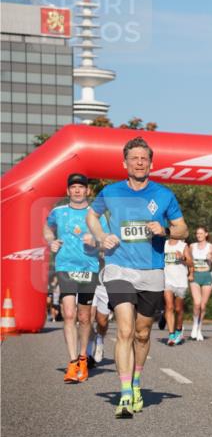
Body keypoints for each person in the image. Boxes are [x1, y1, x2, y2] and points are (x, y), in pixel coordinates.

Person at [87, 136, 187, 419]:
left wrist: (165, 230)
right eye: (134, 158)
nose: (140, 162)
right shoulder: (110, 192)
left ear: (151, 163)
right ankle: (125, 393)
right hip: (119, 268)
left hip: (152, 271)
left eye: (144, 158)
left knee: (142, 334)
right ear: (125, 163)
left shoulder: (164, 195)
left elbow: (183, 229)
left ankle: (137, 381)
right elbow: (92, 217)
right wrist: (102, 236)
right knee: (125, 330)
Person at [43, 173, 107, 383]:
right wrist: (51, 241)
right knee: (68, 314)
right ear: (68, 190)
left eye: (81, 187)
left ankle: (82, 358)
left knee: (84, 317)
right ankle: (72, 364)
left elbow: (106, 241)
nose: (77, 190)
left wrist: (96, 242)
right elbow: (46, 227)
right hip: (65, 267)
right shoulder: (58, 212)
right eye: (73, 187)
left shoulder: (97, 215)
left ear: (88, 190)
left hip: (88, 268)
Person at [188, 226, 212, 341]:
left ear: (206, 234)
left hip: (207, 275)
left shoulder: (210, 247)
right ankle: (194, 325)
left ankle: (199, 329)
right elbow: (188, 259)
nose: (199, 235)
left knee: (203, 305)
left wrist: (211, 259)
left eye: (201, 233)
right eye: (197, 233)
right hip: (195, 275)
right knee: (197, 303)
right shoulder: (192, 246)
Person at [163, 235, 191, 345]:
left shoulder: (183, 245)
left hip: (181, 281)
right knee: (169, 307)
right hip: (167, 280)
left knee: (179, 309)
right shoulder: (164, 244)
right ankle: (171, 335)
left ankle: (179, 330)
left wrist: (183, 258)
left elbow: (191, 263)